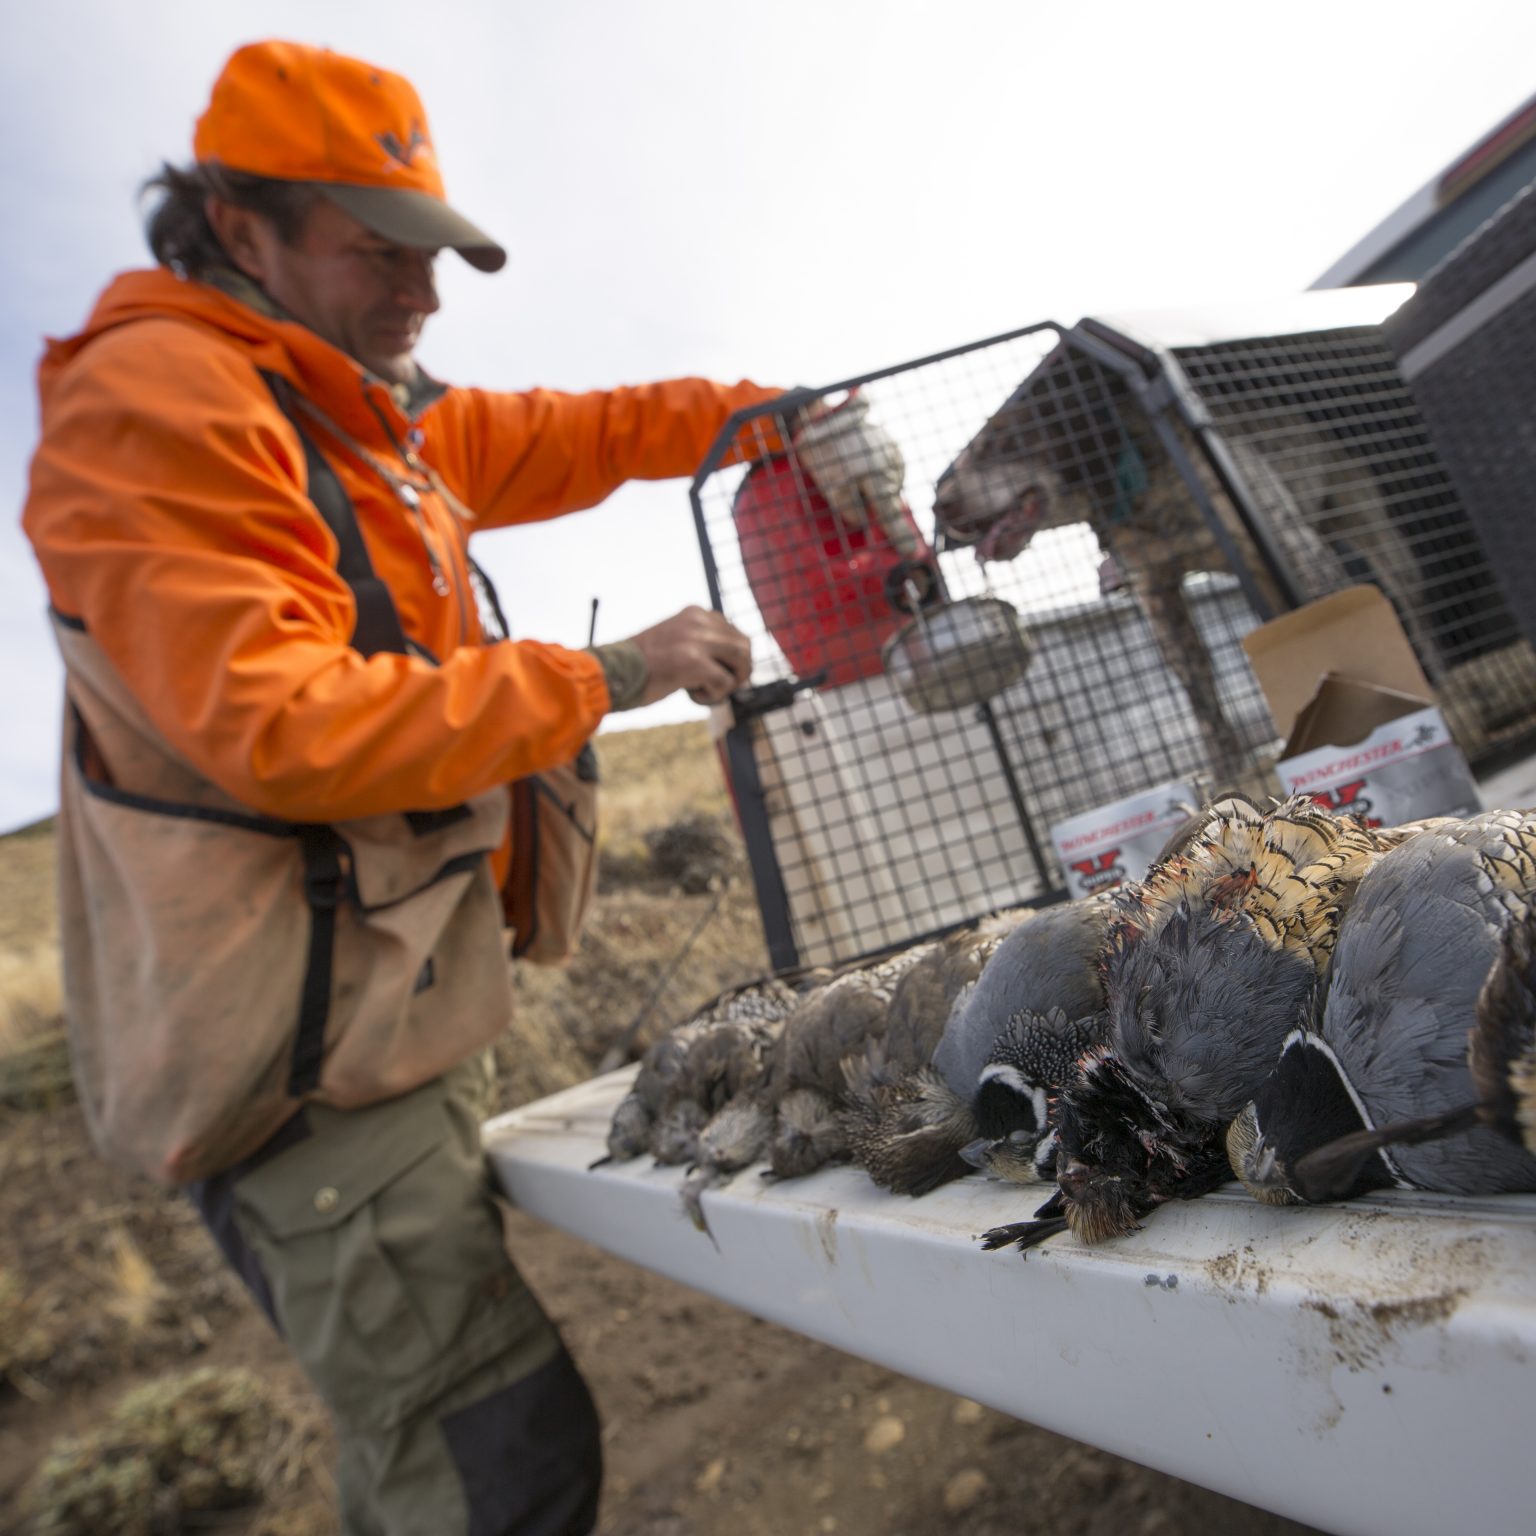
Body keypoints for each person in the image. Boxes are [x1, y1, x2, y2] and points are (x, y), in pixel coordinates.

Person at [20, 38, 906, 1536]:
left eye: (430, 253)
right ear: (240, 230)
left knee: (464, 1448)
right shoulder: (159, 406)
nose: (423, 292)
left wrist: (783, 413)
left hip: (383, 1014)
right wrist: (611, 672)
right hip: (295, 1072)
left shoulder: (368, 414)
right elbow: (286, 725)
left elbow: (593, 429)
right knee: (497, 1467)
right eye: (379, 251)